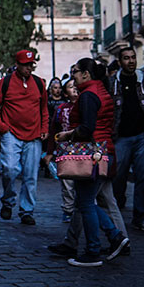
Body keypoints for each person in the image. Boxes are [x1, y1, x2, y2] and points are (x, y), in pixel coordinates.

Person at [53, 58, 129, 267]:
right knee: (86, 202)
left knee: (86, 203)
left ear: (86, 73)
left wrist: (67, 134)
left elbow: (86, 128)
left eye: (75, 71)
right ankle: (115, 237)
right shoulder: (100, 90)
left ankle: (94, 250)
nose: (73, 76)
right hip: (102, 152)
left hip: (92, 154)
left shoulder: (88, 95)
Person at [0, 50, 48, 225]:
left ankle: (26, 210)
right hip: (11, 134)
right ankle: (8, 200)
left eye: (31, 65)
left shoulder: (38, 83)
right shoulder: (5, 83)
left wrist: (44, 128)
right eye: (26, 65)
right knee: (10, 169)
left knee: (31, 175)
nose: (29, 68)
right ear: (18, 65)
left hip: (34, 134)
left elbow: (43, 108)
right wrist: (2, 128)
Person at [110, 47, 144, 232]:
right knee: (117, 177)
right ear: (119, 61)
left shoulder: (143, 80)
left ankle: (141, 216)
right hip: (121, 137)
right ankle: (114, 214)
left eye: (133, 57)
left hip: (142, 136)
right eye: (126, 58)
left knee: (143, 177)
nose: (131, 61)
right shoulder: (113, 83)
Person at [46, 78, 79, 223]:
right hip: (65, 149)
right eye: (71, 87)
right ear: (66, 91)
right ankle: (68, 209)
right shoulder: (61, 108)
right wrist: (50, 151)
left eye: (76, 86)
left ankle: (84, 208)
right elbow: (54, 129)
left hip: (84, 148)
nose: (74, 89)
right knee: (67, 183)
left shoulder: (85, 104)